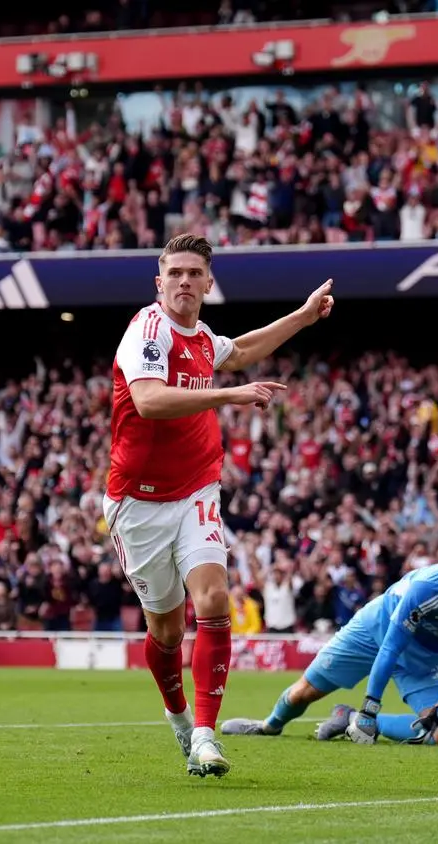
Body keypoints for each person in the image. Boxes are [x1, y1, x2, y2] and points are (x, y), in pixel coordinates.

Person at [104, 234, 335, 778]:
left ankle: (206, 736)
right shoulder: (147, 331)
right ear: (159, 281)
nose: (185, 281)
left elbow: (246, 349)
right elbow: (149, 400)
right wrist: (228, 395)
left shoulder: (204, 338)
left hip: (196, 490)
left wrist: (302, 317)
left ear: (209, 283)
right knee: (165, 629)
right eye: (175, 273)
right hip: (136, 503)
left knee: (212, 598)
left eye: (194, 274)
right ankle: (180, 719)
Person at [220, 535, 438, 746]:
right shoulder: (432, 587)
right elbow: (391, 644)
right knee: (304, 693)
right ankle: (269, 725)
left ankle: (347, 717)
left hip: (421, 659)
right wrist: (370, 704)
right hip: (375, 631)